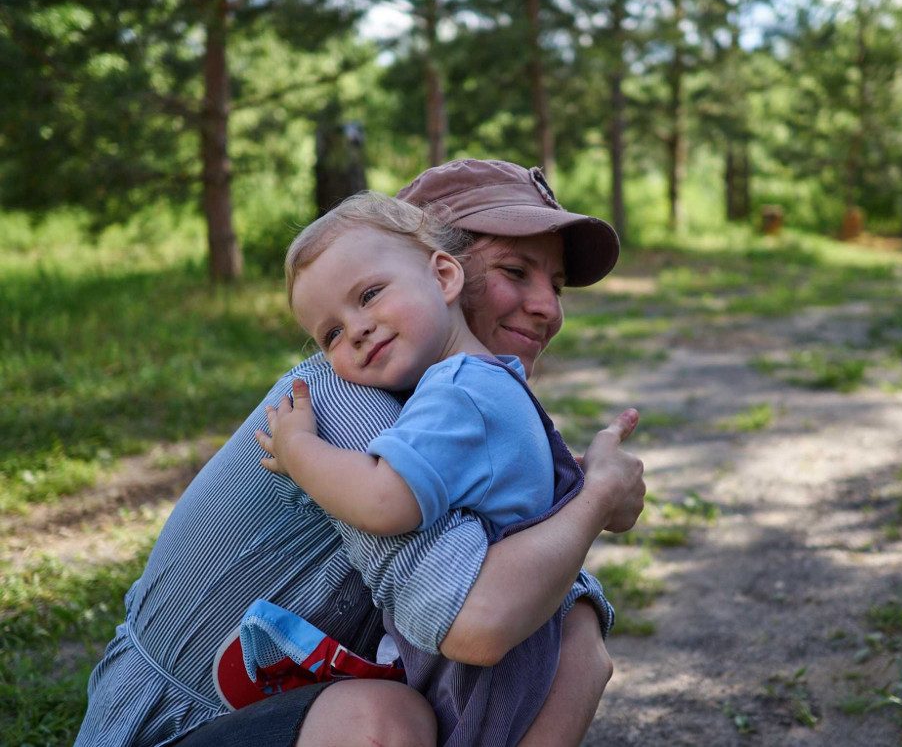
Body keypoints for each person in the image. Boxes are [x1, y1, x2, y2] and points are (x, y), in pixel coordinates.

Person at [74, 159, 645, 747]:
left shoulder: (463, 395)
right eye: (514, 271)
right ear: (439, 272)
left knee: (572, 631)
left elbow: (555, 620)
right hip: (177, 726)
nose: (548, 308)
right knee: (381, 719)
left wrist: (569, 501)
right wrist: (594, 500)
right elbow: (475, 622)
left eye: (554, 284)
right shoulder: (337, 399)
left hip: (296, 698)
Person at [251, 191, 602, 743]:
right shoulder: (484, 385)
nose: (357, 329)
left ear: (444, 277)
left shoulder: (459, 391)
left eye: (369, 296)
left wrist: (299, 452)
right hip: (514, 657)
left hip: (484, 677)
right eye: (331, 335)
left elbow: (383, 500)